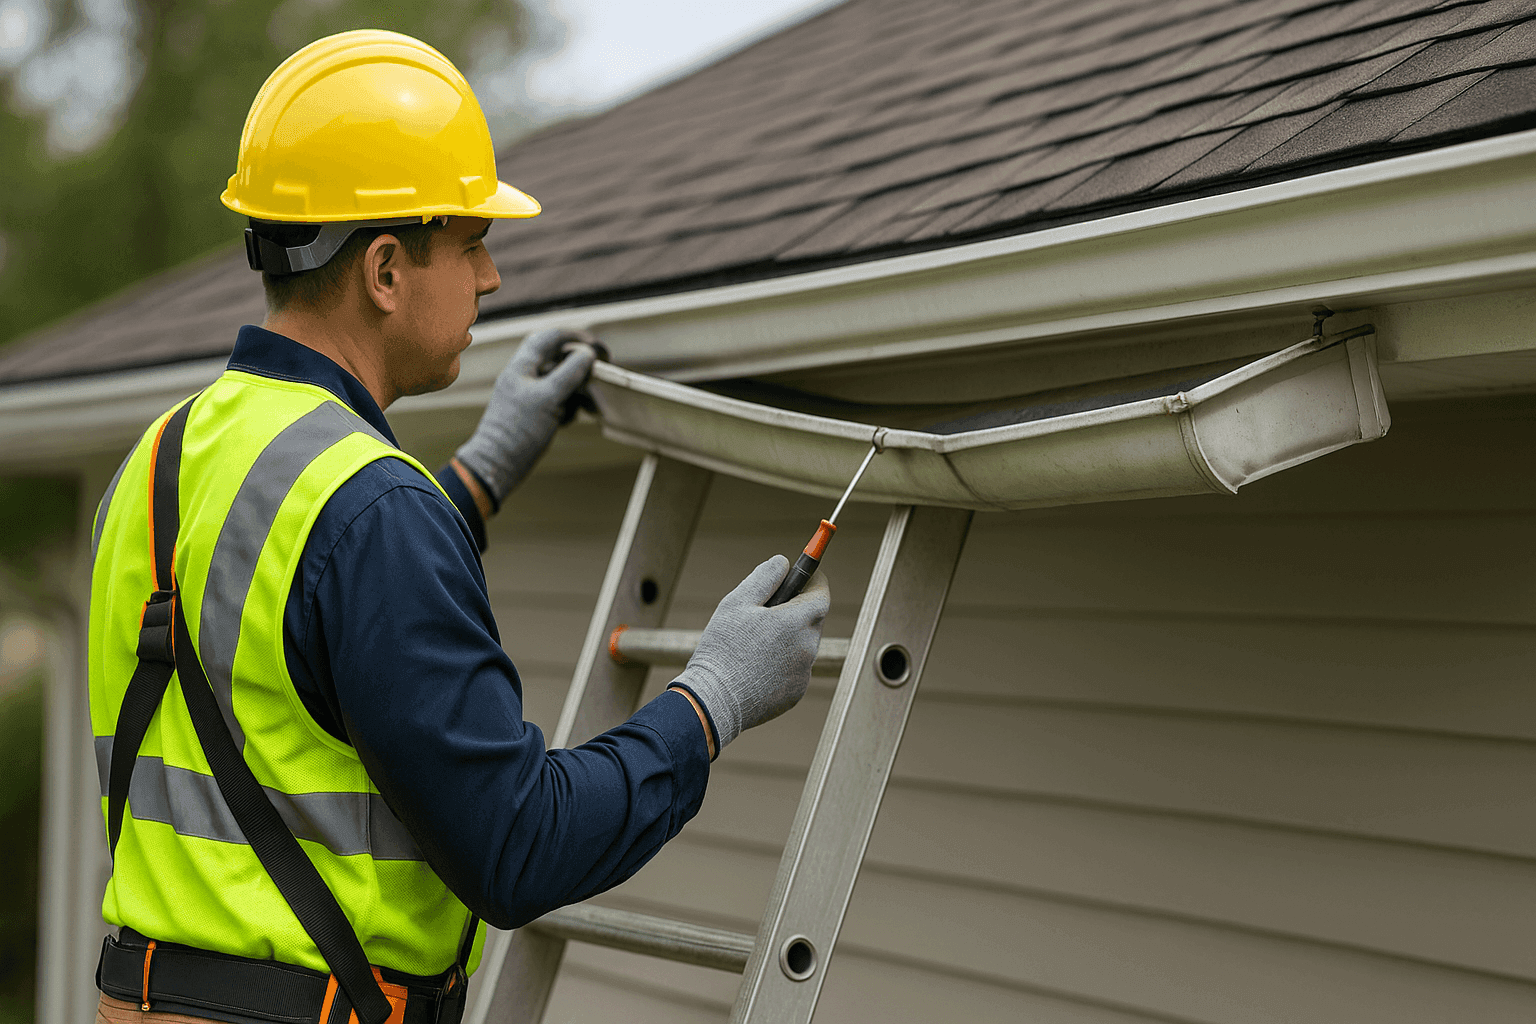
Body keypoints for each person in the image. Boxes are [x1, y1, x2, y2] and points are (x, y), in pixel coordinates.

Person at [87, 29, 829, 1024]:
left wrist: (479, 473)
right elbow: (517, 847)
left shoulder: (158, 462)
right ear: (386, 271)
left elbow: (285, 620)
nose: (491, 278)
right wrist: (715, 699)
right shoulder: (372, 509)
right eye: (472, 243)